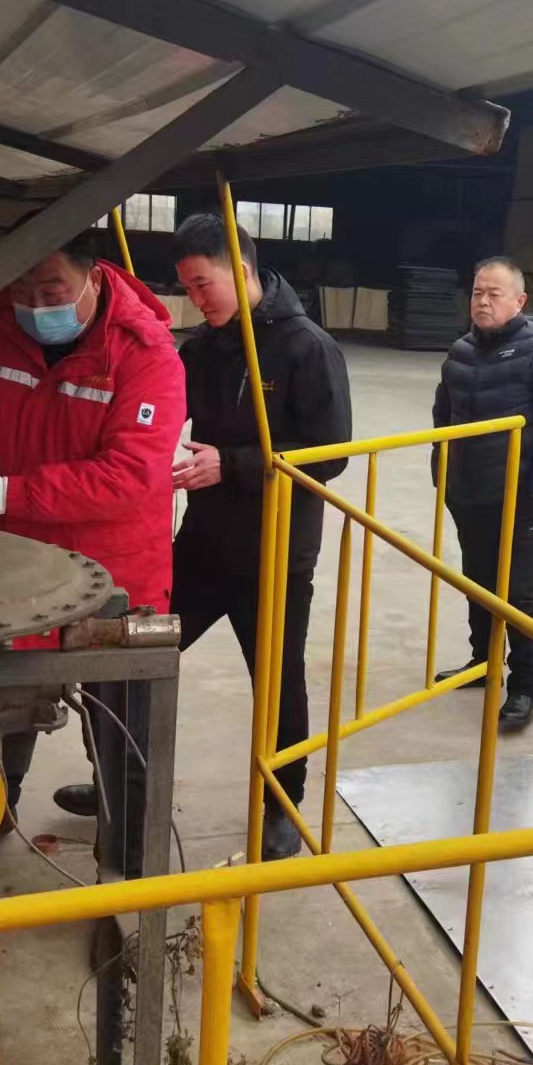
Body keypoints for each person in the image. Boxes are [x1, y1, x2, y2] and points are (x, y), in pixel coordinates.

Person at [0, 227, 185, 876]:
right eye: (22, 289)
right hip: (14, 564)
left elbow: (129, 475)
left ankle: (129, 873)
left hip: (116, 574)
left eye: (51, 290)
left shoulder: (146, 353)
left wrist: (0, 491)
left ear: (94, 276)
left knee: (123, 734)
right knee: (0, 713)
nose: (34, 304)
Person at [169, 213, 352, 860]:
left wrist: (234, 463)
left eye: (203, 284)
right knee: (138, 657)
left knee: (277, 683)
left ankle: (283, 804)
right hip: (202, 543)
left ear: (241, 270)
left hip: (276, 551)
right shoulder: (201, 349)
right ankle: (126, 779)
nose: (196, 299)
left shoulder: (307, 348)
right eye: (187, 289)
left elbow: (331, 454)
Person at [430, 257, 533, 731]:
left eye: (494, 294)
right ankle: (483, 663)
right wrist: (443, 472)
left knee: (518, 595)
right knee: (477, 583)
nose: (483, 301)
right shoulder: (460, 350)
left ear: (520, 300)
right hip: (467, 493)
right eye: (477, 292)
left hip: (519, 498)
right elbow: (443, 415)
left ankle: (524, 689)